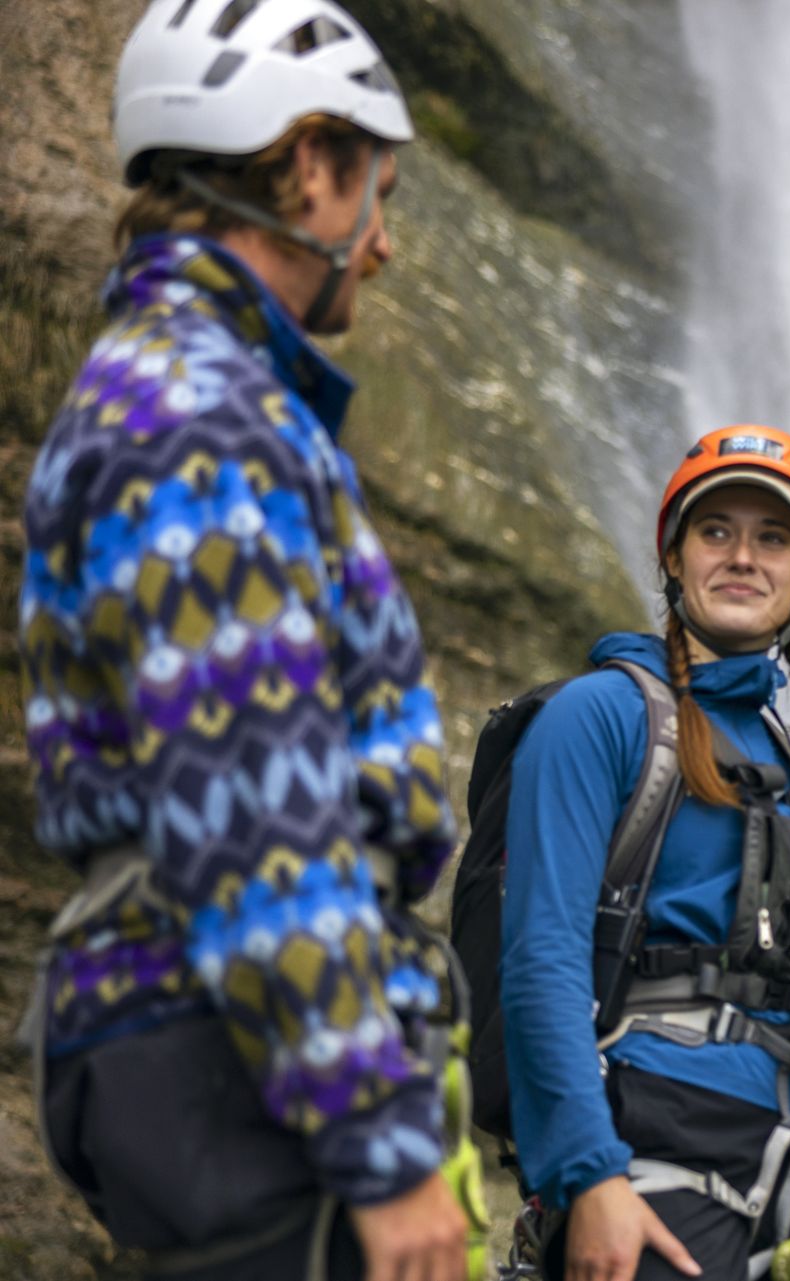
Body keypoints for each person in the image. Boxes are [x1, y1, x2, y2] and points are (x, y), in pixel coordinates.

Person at [19, 2, 473, 1278]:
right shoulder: (198, 420)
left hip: (216, 1053)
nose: (382, 242)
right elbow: (251, 804)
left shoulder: (180, 387)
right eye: (376, 188)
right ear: (310, 162)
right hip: (237, 1079)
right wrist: (380, 1144)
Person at [497, 423, 790, 1281]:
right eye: (716, 531)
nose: (743, 556)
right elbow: (541, 960)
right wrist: (588, 1172)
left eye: (773, 537)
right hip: (651, 1149)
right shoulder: (599, 717)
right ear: (673, 558)